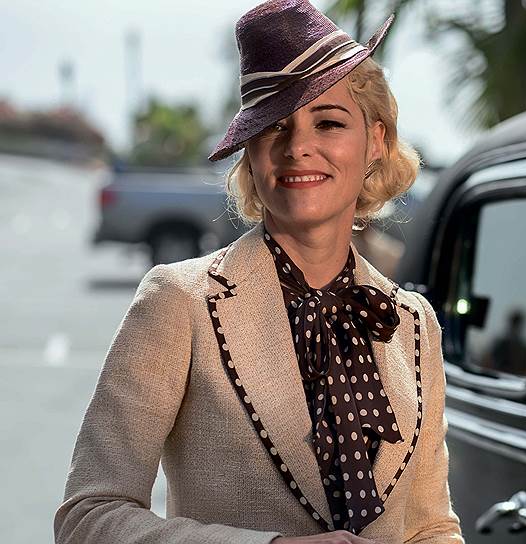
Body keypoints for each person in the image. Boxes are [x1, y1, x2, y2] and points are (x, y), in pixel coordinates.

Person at [54, 1, 463, 543]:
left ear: (376, 142)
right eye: (274, 126)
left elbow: (432, 527)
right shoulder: (179, 302)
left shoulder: (413, 323)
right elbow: (88, 517)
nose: (298, 148)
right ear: (251, 152)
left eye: (329, 122)